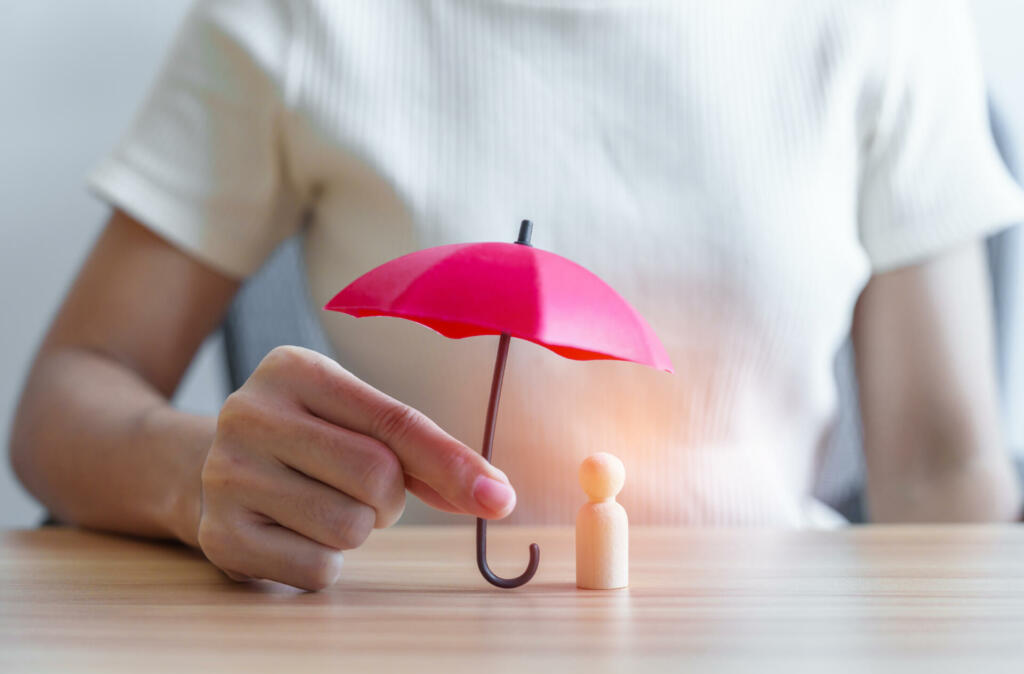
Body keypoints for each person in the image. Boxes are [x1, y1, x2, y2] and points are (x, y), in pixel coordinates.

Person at [10, 0, 1024, 591]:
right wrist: (195, 474)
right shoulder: (298, 18)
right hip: (397, 637)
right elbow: (69, 396)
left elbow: (942, 473)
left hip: (777, 633)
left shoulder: (891, 19)